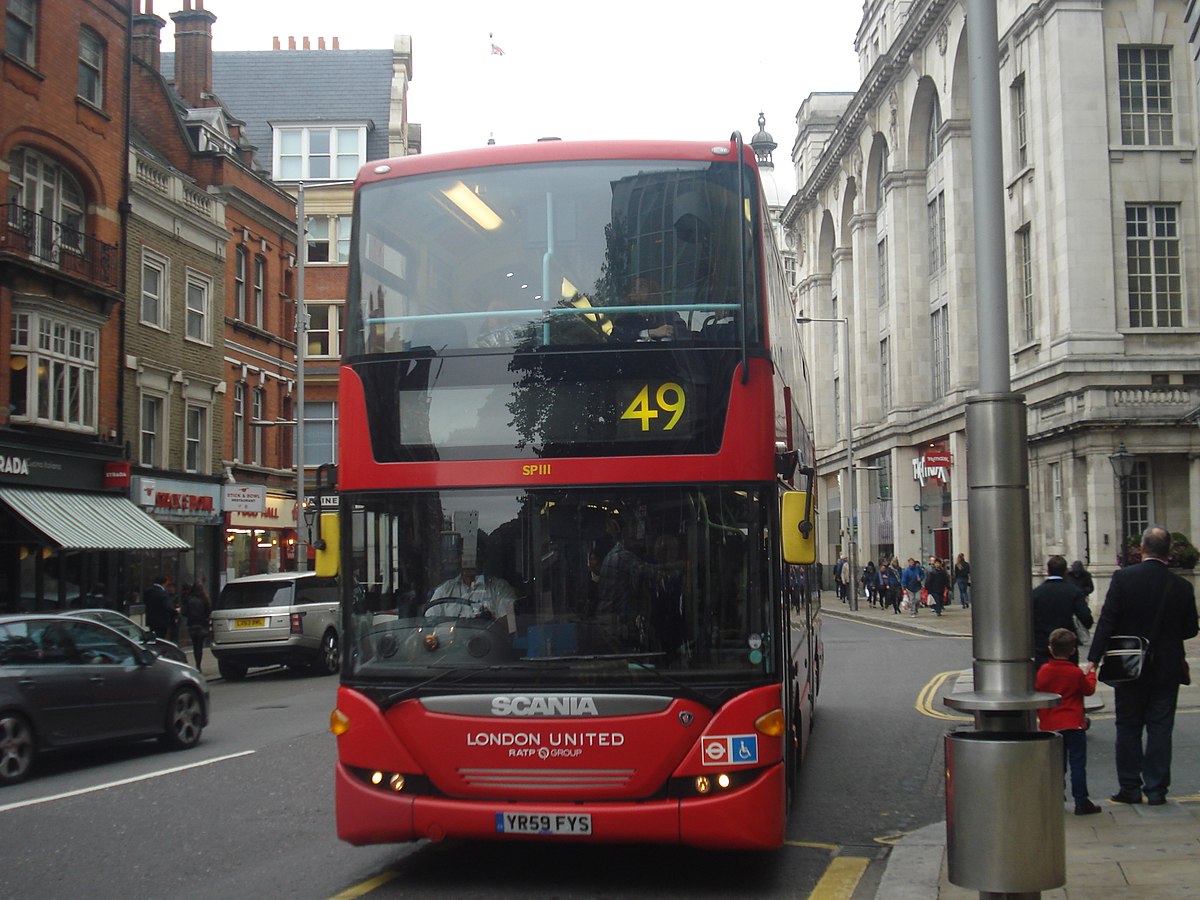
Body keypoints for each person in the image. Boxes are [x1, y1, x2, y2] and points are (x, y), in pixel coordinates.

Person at [1086, 525, 1198, 806]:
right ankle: (1157, 789)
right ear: (1169, 552)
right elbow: (1190, 629)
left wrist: (1093, 658)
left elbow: (1108, 620)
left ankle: (1130, 787)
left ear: (1142, 549)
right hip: (1167, 667)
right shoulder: (1182, 586)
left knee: (1128, 726)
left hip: (1129, 664)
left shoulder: (1124, 578)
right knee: (1160, 727)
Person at [1036, 628, 1102, 815]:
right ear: (1073, 651)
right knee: (1077, 764)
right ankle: (1081, 801)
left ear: (1050, 649)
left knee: (1056, 764)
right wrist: (1091, 673)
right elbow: (1088, 690)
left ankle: (1056, 796)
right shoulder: (1074, 672)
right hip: (1074, 723)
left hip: (1050, 723)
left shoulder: (1044, 671)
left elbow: (1039, 690)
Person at [1031, 555, 1093, 669]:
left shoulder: (1036, 593)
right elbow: (1086, 619)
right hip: (1067, 646)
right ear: (1065, 572)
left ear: (1048, 571)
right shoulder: (1074, 592)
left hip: (1043, 645)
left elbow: (1030, 619)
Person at [427, 562, 518, 631]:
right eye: (465, 554)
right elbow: (429, 623)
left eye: (473, 555)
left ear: (482, 558)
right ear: (459, 559)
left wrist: (490, 621)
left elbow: (511, 624)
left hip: (488, 649)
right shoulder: (444, 590)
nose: (469, 561)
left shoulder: (500, 588)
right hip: (449, 649)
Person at [612, 276, 688, 342]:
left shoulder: (667, 315)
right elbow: (616, 336)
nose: (636, 290)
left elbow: (682, 333)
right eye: (633, 287)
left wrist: (670, 332)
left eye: (642, 286)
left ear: (652, 291)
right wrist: (651, 332)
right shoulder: (624, 319)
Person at [184, 581, 212, 668]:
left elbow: (184, 612)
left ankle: (197, 663)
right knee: (199, 645)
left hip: (192, 624)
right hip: (202, 624)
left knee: (195, 645)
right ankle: (198, 665)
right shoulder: (205, 600)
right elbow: (208, 612)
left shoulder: (188, 599)